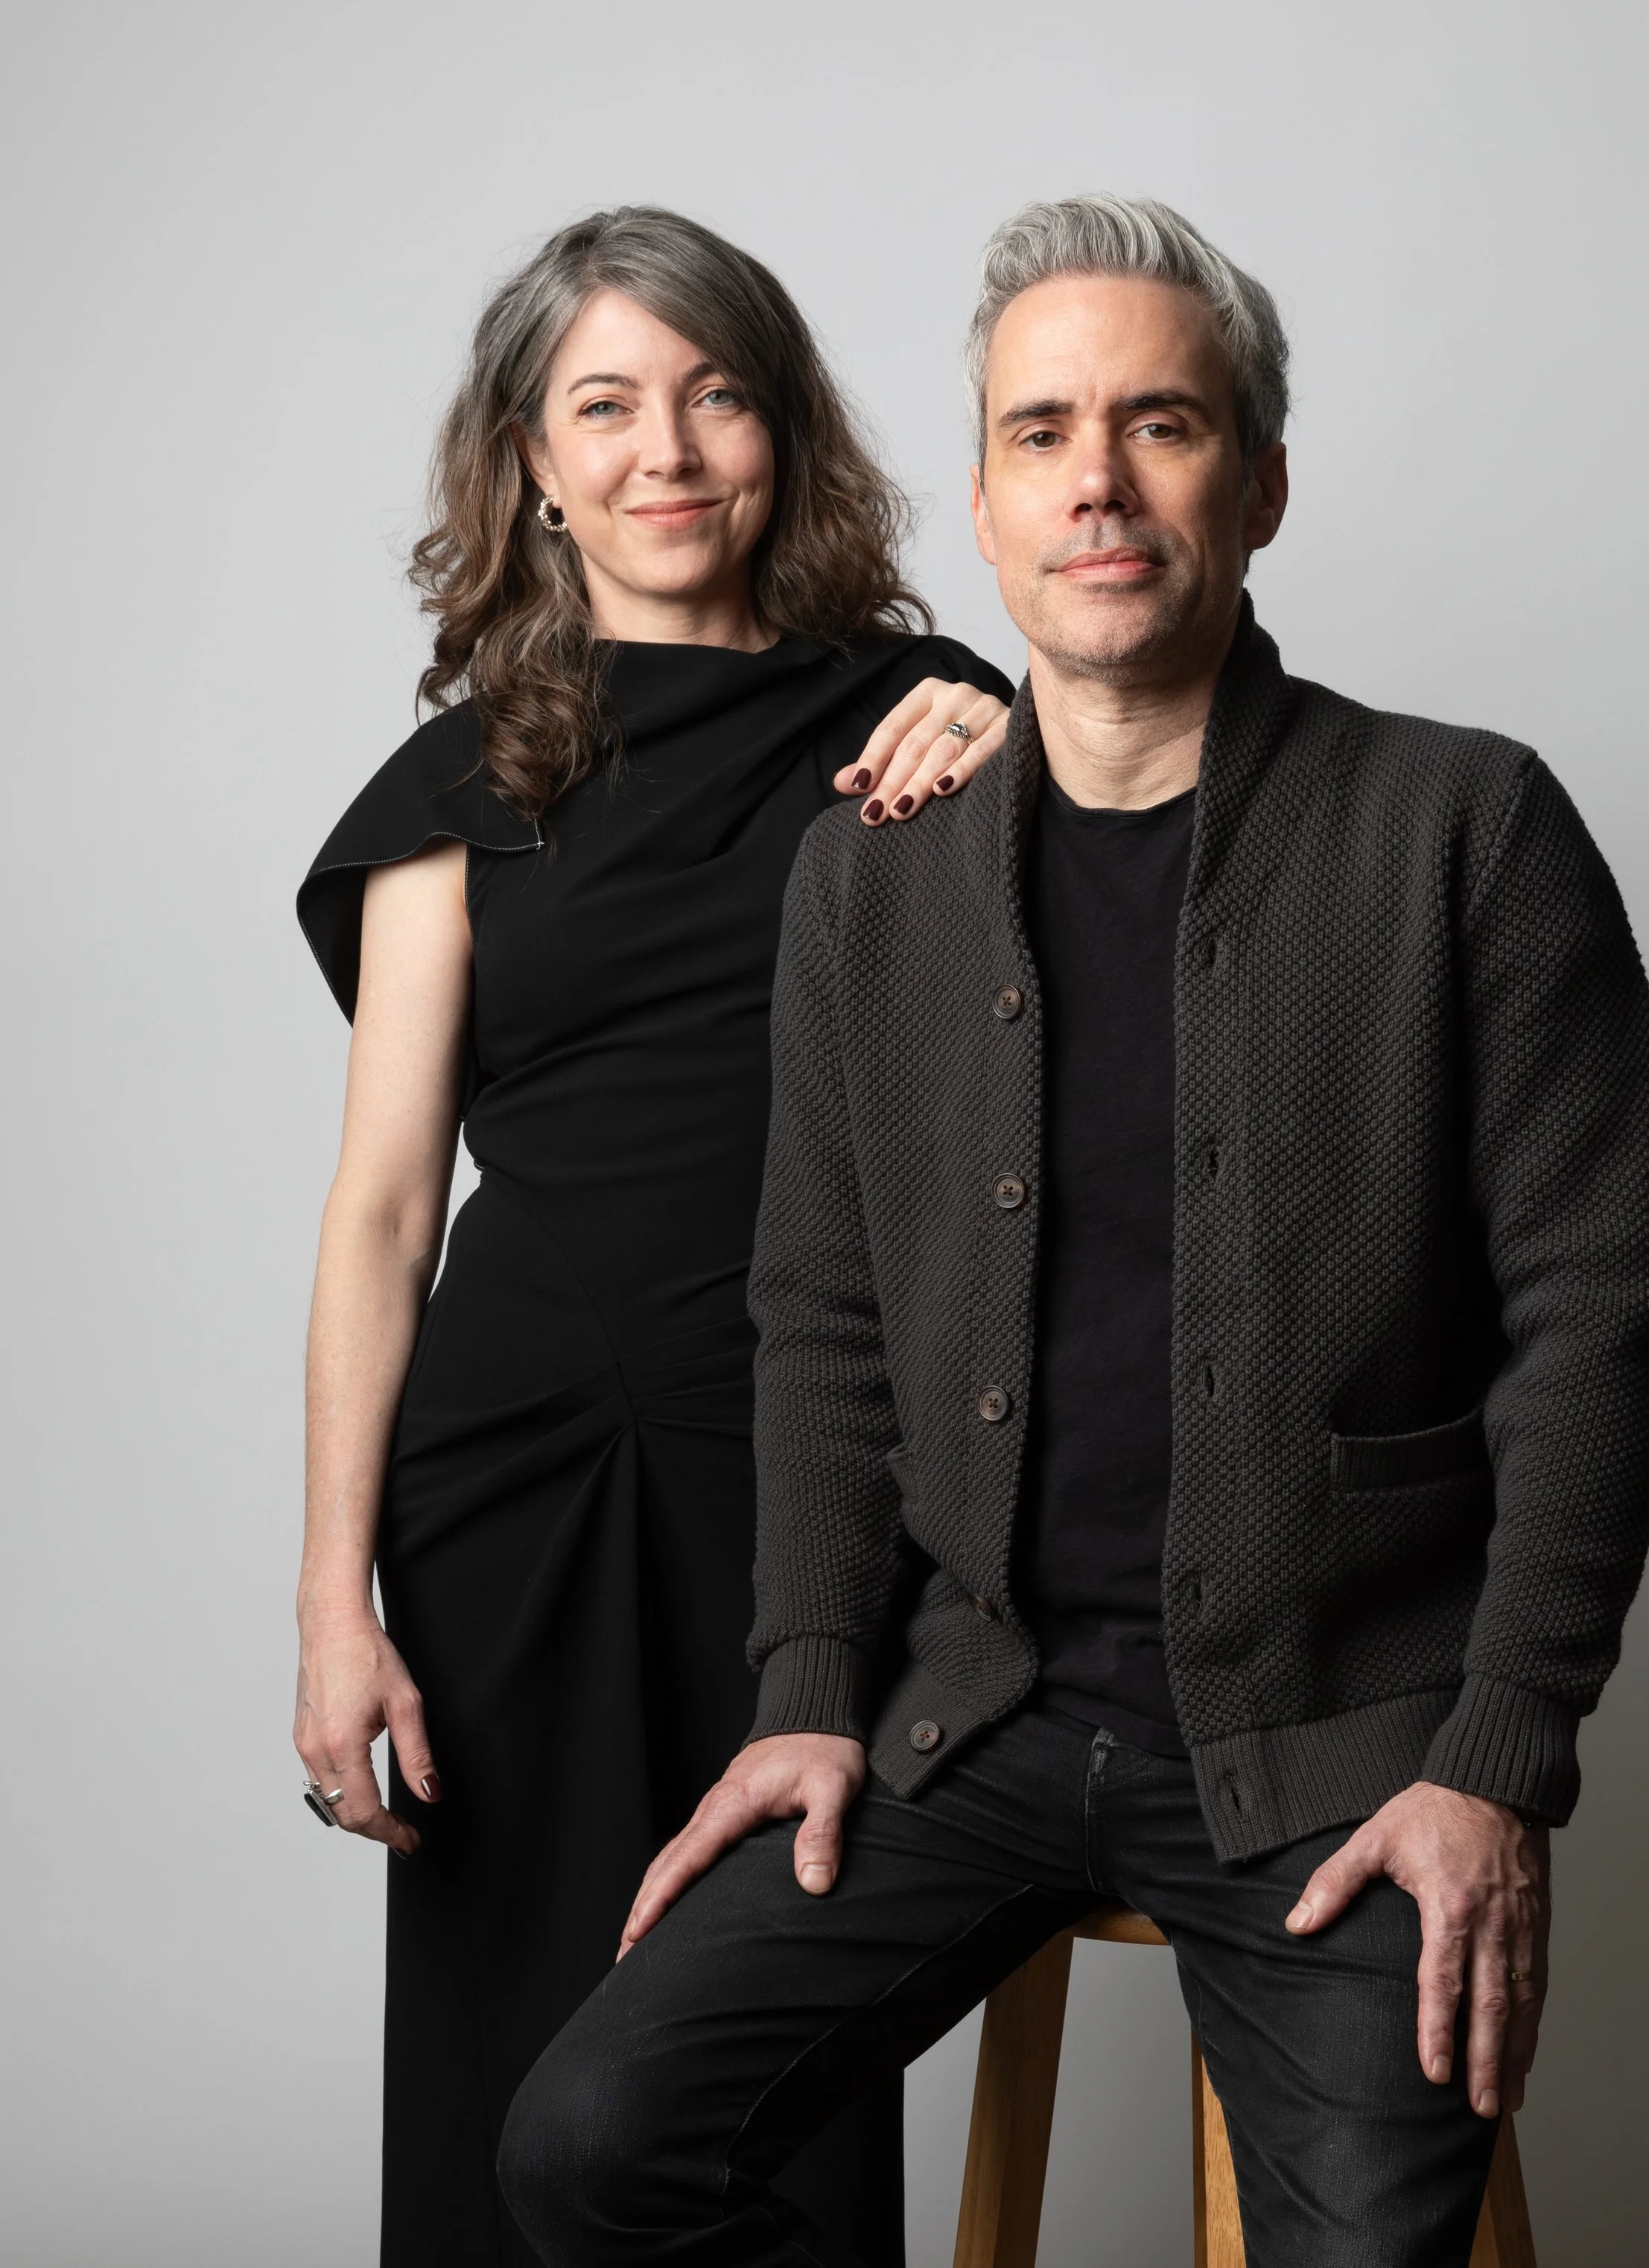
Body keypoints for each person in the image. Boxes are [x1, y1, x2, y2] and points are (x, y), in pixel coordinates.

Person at [497, 195, 1649, 2268]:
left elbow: (1599, 1320)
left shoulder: (1460, 825)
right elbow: (824, 1320)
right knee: (588, 2147)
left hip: (1342, 1747)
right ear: (980, 506)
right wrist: (807, 1690)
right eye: (1041, 433)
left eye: (1162, 423)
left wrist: (1496, 1759)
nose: (1098, 484)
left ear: (1262, 484)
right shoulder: (875, 882)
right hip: (976, 1718)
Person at [293, 204, 1014, 2268]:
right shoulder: (460, 787)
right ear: (531, 460)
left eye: (713, 396)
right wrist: (332, 1601)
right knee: (510, 2044)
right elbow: (382, 1210)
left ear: (784, 431)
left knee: (767, 2065)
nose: (666, 452)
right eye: (604, 405)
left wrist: (1029, 746)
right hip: (513, 1470)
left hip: (818, 1472)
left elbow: (1134, 934)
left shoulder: (930, 724)